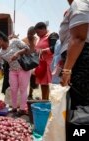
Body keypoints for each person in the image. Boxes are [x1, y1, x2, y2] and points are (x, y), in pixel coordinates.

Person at [60, 0, 89, 135]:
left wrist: (67, 70)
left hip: (81, 60)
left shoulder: (78, 3)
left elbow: (78, 37)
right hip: (78, 59)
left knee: (81, 108)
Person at [34, 22, 53, 100]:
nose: (37, 34)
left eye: (38, 32)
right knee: (43, 84)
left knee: (48, 84)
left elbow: (54, 48)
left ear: (44, 29)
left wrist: (44, 50)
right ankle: (44, 100)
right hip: (41, 64)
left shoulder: (51, 35)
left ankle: (47, 101)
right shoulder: (40, 38)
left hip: (48, 64)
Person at [22, 26, 39, 100]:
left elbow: (37, 50)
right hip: (25, 61)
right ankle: (23, 94)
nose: (29, 35)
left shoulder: (37, 40)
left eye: (31, 34)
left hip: (33, 62)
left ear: (34, 34)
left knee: (33, 79)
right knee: (24, 79)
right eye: (28, 33)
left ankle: (30, 94)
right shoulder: (23, 40)